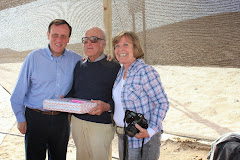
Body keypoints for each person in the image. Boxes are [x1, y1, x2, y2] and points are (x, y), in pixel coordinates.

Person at [10, 19, 83, 160]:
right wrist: (20, 118)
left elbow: (93, 63)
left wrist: (107, 59)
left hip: (61, 121)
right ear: (48, 34)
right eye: (55, 35)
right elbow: (18, 92)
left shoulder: (76, 59)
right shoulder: (33, 58)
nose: (59, 40)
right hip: (35, 118)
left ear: (68, 39)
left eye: (63, 36)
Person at [112, 31, 169, 160]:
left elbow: (162, 103)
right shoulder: (121, 72)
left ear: (135, 48)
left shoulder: (145, 71)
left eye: (125, 45)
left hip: (144, 139)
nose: (120, 49)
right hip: (124, 136)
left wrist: (150, 131)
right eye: (117, 46)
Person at [65, 27, 121, 160]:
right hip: (78, 122)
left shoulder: (114, 67)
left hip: (100, 125)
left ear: (103, 44)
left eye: (94, 39)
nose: (88, 43)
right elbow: (75, 91)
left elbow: (121, 96)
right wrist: (64, 99)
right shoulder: (79, 65)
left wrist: (107, 107)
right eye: (85, 40)